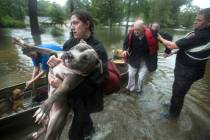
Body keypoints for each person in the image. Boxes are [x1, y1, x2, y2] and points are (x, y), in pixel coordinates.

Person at [47, 10, 108, 140]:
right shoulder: (69, 44)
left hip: (86, 98)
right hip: (68, 94)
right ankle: (91, 132)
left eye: (75, 23)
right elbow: (62, 65)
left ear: (87, 24)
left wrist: (62, 86)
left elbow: (96, 83)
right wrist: (53, 63)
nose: (72, 27)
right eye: (71, 24)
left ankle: (89, 134)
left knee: (74, 134)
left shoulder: (98, 50)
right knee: (82, 122)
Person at [158, 8, 210, 119]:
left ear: (208, 23)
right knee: (177, 89)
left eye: (199, 20)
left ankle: (173, 116)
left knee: (178, 93)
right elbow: (188, 48)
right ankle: (173, 104)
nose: (195, 22)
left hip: (187, 71)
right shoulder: (203, 34)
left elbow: (171, 45)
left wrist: (159, 37)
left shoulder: (200, 36)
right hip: (193, 70)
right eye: (195, 19)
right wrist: (171, 54)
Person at [123, 20, 171, 94]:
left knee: (141, 77)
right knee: (131, 74)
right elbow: (125, 43)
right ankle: (130, 88)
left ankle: (139, 90)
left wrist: (167, 51)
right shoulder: (131, 33)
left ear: (143, 28)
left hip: (147, 59)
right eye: (135, 29)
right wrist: (124, 50)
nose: (136, 31)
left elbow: (168, 37)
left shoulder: (152, 33)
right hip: (134, 58)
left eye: (138, 30)